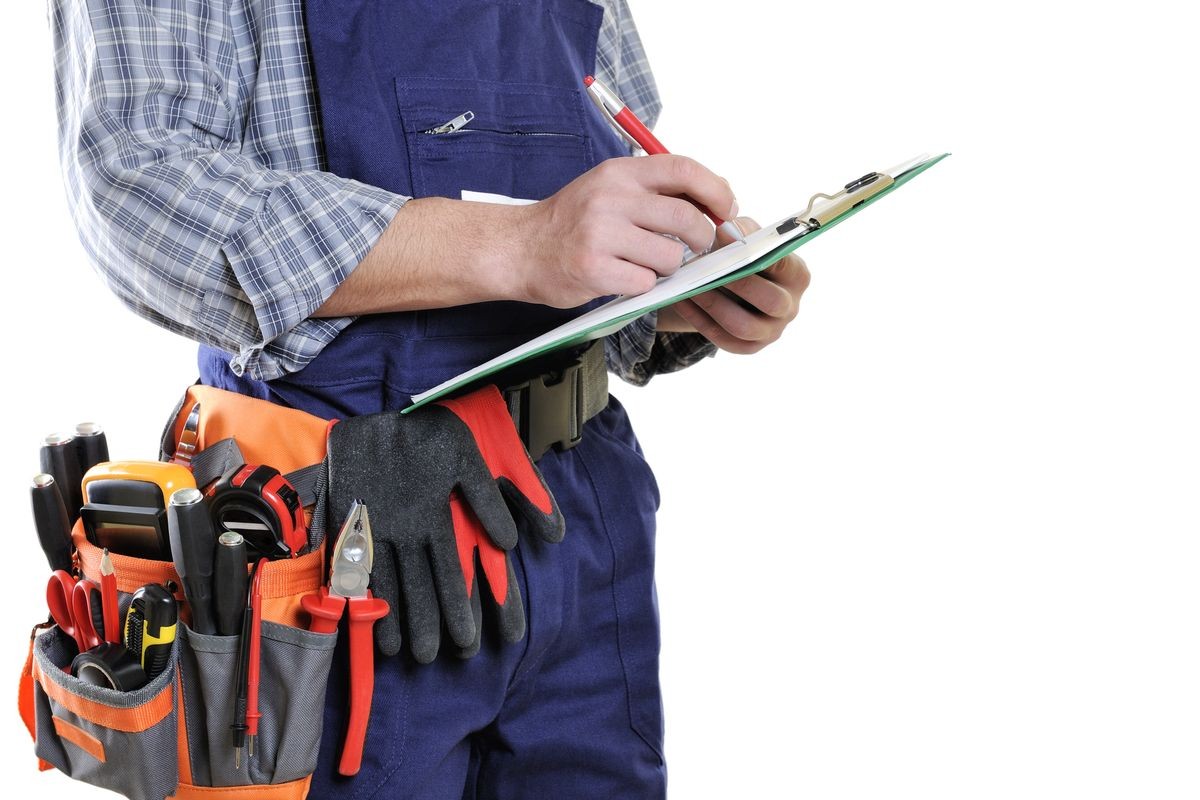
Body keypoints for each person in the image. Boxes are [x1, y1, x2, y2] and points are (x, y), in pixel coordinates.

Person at [50, 0, 810, 796]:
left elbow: (605, 131)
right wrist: (521, 245)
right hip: (338, 521)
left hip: (578, 507)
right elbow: (140, 181)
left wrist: (673, 288)